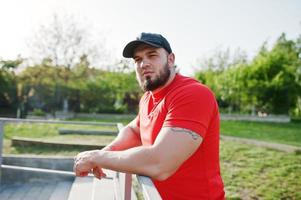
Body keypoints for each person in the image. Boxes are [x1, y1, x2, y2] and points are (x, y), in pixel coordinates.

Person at [73, 32, 225, 199]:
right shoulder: (147, 98)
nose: (143, 64)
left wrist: (98, 157)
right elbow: (135, 130)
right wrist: (107, 151)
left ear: (171, 59)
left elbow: (160, 164)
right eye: (137, 59)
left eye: (152, 55)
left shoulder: (193, 94)